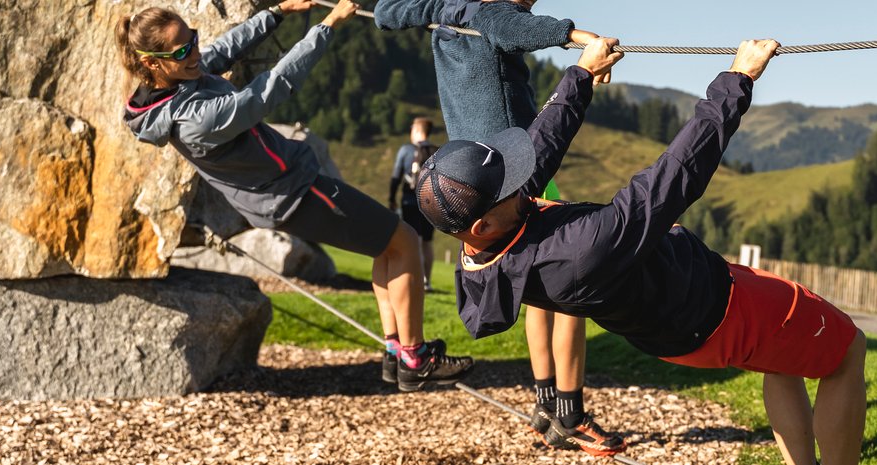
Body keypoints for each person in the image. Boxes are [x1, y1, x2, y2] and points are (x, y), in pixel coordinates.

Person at [417, 38, 868, 465]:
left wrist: (581, 75)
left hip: (678, 320)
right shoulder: (576, 253)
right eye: (511, 186)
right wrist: (736, 80)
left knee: (783, 361)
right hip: (718, 309)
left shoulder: (487, 239)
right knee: (848, 351)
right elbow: (673, 178)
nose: (524, 185)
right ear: (483, 224)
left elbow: (540, 149)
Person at [116, 0, 472, 392]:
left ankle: (396, 354)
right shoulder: (192, 119)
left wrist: (278, 12)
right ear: (152, 63)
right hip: (293, 194)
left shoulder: (175, 83)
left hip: (287, 187)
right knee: (402, 240)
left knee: (385, 247)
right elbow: (269, 91)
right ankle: (415, 358)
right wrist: (328, 26)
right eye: (183, 49)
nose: (196, 52)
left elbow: (225, 49)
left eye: (193, 39)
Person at [373, 0, 620, 453]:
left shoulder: (442, 9)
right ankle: (570, 413)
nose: (530, 3)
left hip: (476, 178)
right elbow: (513, 30)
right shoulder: (484, 12)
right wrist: (586, 43)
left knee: (538, 289)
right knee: (571, 291)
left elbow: (388, 12)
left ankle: (547, 404)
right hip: (519, 170)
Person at [390, 117, 441, 292]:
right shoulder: (437, 151)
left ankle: (416, 280)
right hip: (431, 204)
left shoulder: (406, 150)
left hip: (410, 201)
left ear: (417, 130)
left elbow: (396, 177)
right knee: (427, 241)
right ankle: (427, 282)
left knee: (414, 240)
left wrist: (391, 198)